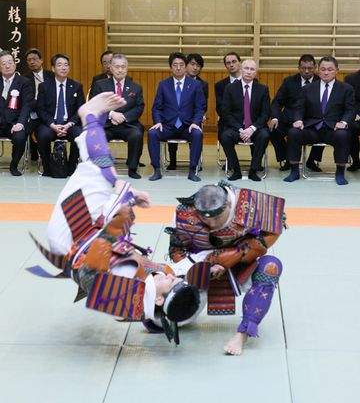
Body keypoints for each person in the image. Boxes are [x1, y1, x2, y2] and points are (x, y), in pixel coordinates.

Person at [27, 92, 200, 345]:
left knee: (101, 171)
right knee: (96, 170)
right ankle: (91, 122)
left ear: (159, 299)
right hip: (83, 237)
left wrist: (123, 198)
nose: (171, 276)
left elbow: (97, 255)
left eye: (170, 283)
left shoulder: (127, 283)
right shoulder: (145, 288)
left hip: (72, 238)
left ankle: (89, 117)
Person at [165, 182, 286, 355]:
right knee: (166, 319)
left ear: (229, 204)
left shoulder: (251, 203)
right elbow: (177, 252)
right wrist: (201, 271)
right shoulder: (185, 212)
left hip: (241, 262)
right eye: (206, 219)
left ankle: (242, 334)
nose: (212, 223)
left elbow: (276, 224)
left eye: (217, 218)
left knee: (271, 266)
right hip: (200, 267)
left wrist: (235, 255)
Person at [284, 56, 355, 185]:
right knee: (293, 132)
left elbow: (350, 110)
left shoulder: (346, 89)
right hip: (312, 129)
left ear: (337, 71)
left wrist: (344, 123)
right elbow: (299, 108)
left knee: (343, 135)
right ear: (318, 70)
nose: (326, 72)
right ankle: (294, 171)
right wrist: (298, 120)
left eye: (330, 69)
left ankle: (340, 172)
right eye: (323, 69)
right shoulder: (308, 88)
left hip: (333, 130)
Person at [148, 52, 206, 182]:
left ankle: (192, 170)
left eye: (181, 65)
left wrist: (196, 122)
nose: (178, 68)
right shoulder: (164, 85)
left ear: (185, 67)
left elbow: (199, 107)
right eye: (175, 65)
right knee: (152, 133)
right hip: (168, 126)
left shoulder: (195, 85)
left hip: (187, 126)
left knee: (197, 134)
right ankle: (157, 170)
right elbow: (157, 107)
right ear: (171, 67)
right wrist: (157, 121)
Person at [90, 53, 145, 179]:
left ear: (127, 68)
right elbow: (94, 104)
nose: (120, 69)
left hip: (127, 124)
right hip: (106, 124)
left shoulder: (135, 87)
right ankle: (101, 167)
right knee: (97, 135)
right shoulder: (100, 85)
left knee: (136, 134)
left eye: (123, 66)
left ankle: (132, 168)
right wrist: (111, 114)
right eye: (117, 66)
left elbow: (139, 107)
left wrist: (123, 117)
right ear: (111, 67)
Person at [269, 54, 323, 171]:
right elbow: (277, 102)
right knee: (273, 130)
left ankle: (312, 160)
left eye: (310, 68)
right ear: (299, 68)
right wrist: (275, 118)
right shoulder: (289, 81)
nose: (307, 71)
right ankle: (286, 159)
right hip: (288, 118)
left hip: (311, 120)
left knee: (324, 127)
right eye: (304, 68)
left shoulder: (321, 82)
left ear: (315, 67)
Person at [220, 59, 270, 181]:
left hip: (255, 128)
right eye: (246, 68)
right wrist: (241, 129)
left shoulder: (262, 89)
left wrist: (252, 129)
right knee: (225, 136)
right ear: (241, 70)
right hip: (237, 127)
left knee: (264, 135)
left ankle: (254, 170)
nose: (249, 72)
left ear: (256, 72)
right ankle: (235, 170)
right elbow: (226, 113)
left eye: (252, 69)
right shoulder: (230, 88)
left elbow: (265, 113)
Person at [36, 53, 85, 177]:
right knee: (42, 135)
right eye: (60, 65)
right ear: (53, 68)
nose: (63, 68)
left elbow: (80, 109)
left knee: (79, 135)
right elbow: (40, 109)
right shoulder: (44, 86)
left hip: (69, 124)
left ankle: (71, 166)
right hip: (50, 124)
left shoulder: (76, 86)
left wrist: (68, 125)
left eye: (66, 65)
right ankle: (47, 167)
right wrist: (52, 125)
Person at [167, 53, 209, 171]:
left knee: (195, 129)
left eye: (198, 65)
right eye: (192, 64)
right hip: (175, 118)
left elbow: (203, 104)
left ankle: (194, 163)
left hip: (193, 118)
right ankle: (172, 161)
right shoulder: (172, 81)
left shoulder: (202, 84)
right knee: (173, 121)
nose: (195, 68)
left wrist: (198, 117)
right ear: (186, 65)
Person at [0, 50, 33, 176]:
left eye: (10, 62)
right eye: (3, 63)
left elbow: (27, 106)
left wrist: (20, 123)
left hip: (14, 123)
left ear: (15, 64)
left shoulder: (24, 82)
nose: (7, 66)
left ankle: (14, 165)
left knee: (20, 137)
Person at [23, 48, 54, 161]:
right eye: (29, 60)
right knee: (30, 125)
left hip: (50, 111)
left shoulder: (51, 75)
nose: (32, 62)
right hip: (33, 112)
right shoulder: (24, 78)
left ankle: (54, 154)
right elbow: (26, 100)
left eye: (34, 59)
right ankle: (34, 154)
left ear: (41, 60)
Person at [215, 52, 242, 141]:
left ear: (239, 63)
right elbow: (220, 108)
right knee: (224, 135)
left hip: (249, 121)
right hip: (228, 123)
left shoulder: (253, 82)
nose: (231, 65)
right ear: (226, 66)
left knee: (261, 135)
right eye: (228, 63)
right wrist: (233, 121)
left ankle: (255, 156)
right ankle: (230, 156)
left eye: (234, 61)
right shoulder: (220, 85)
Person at [344, 70, 360, 171]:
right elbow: (349, 101)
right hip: (356, 116)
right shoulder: (350, 79)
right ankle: (356, 161)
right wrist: (354, 114)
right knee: (350, 128)